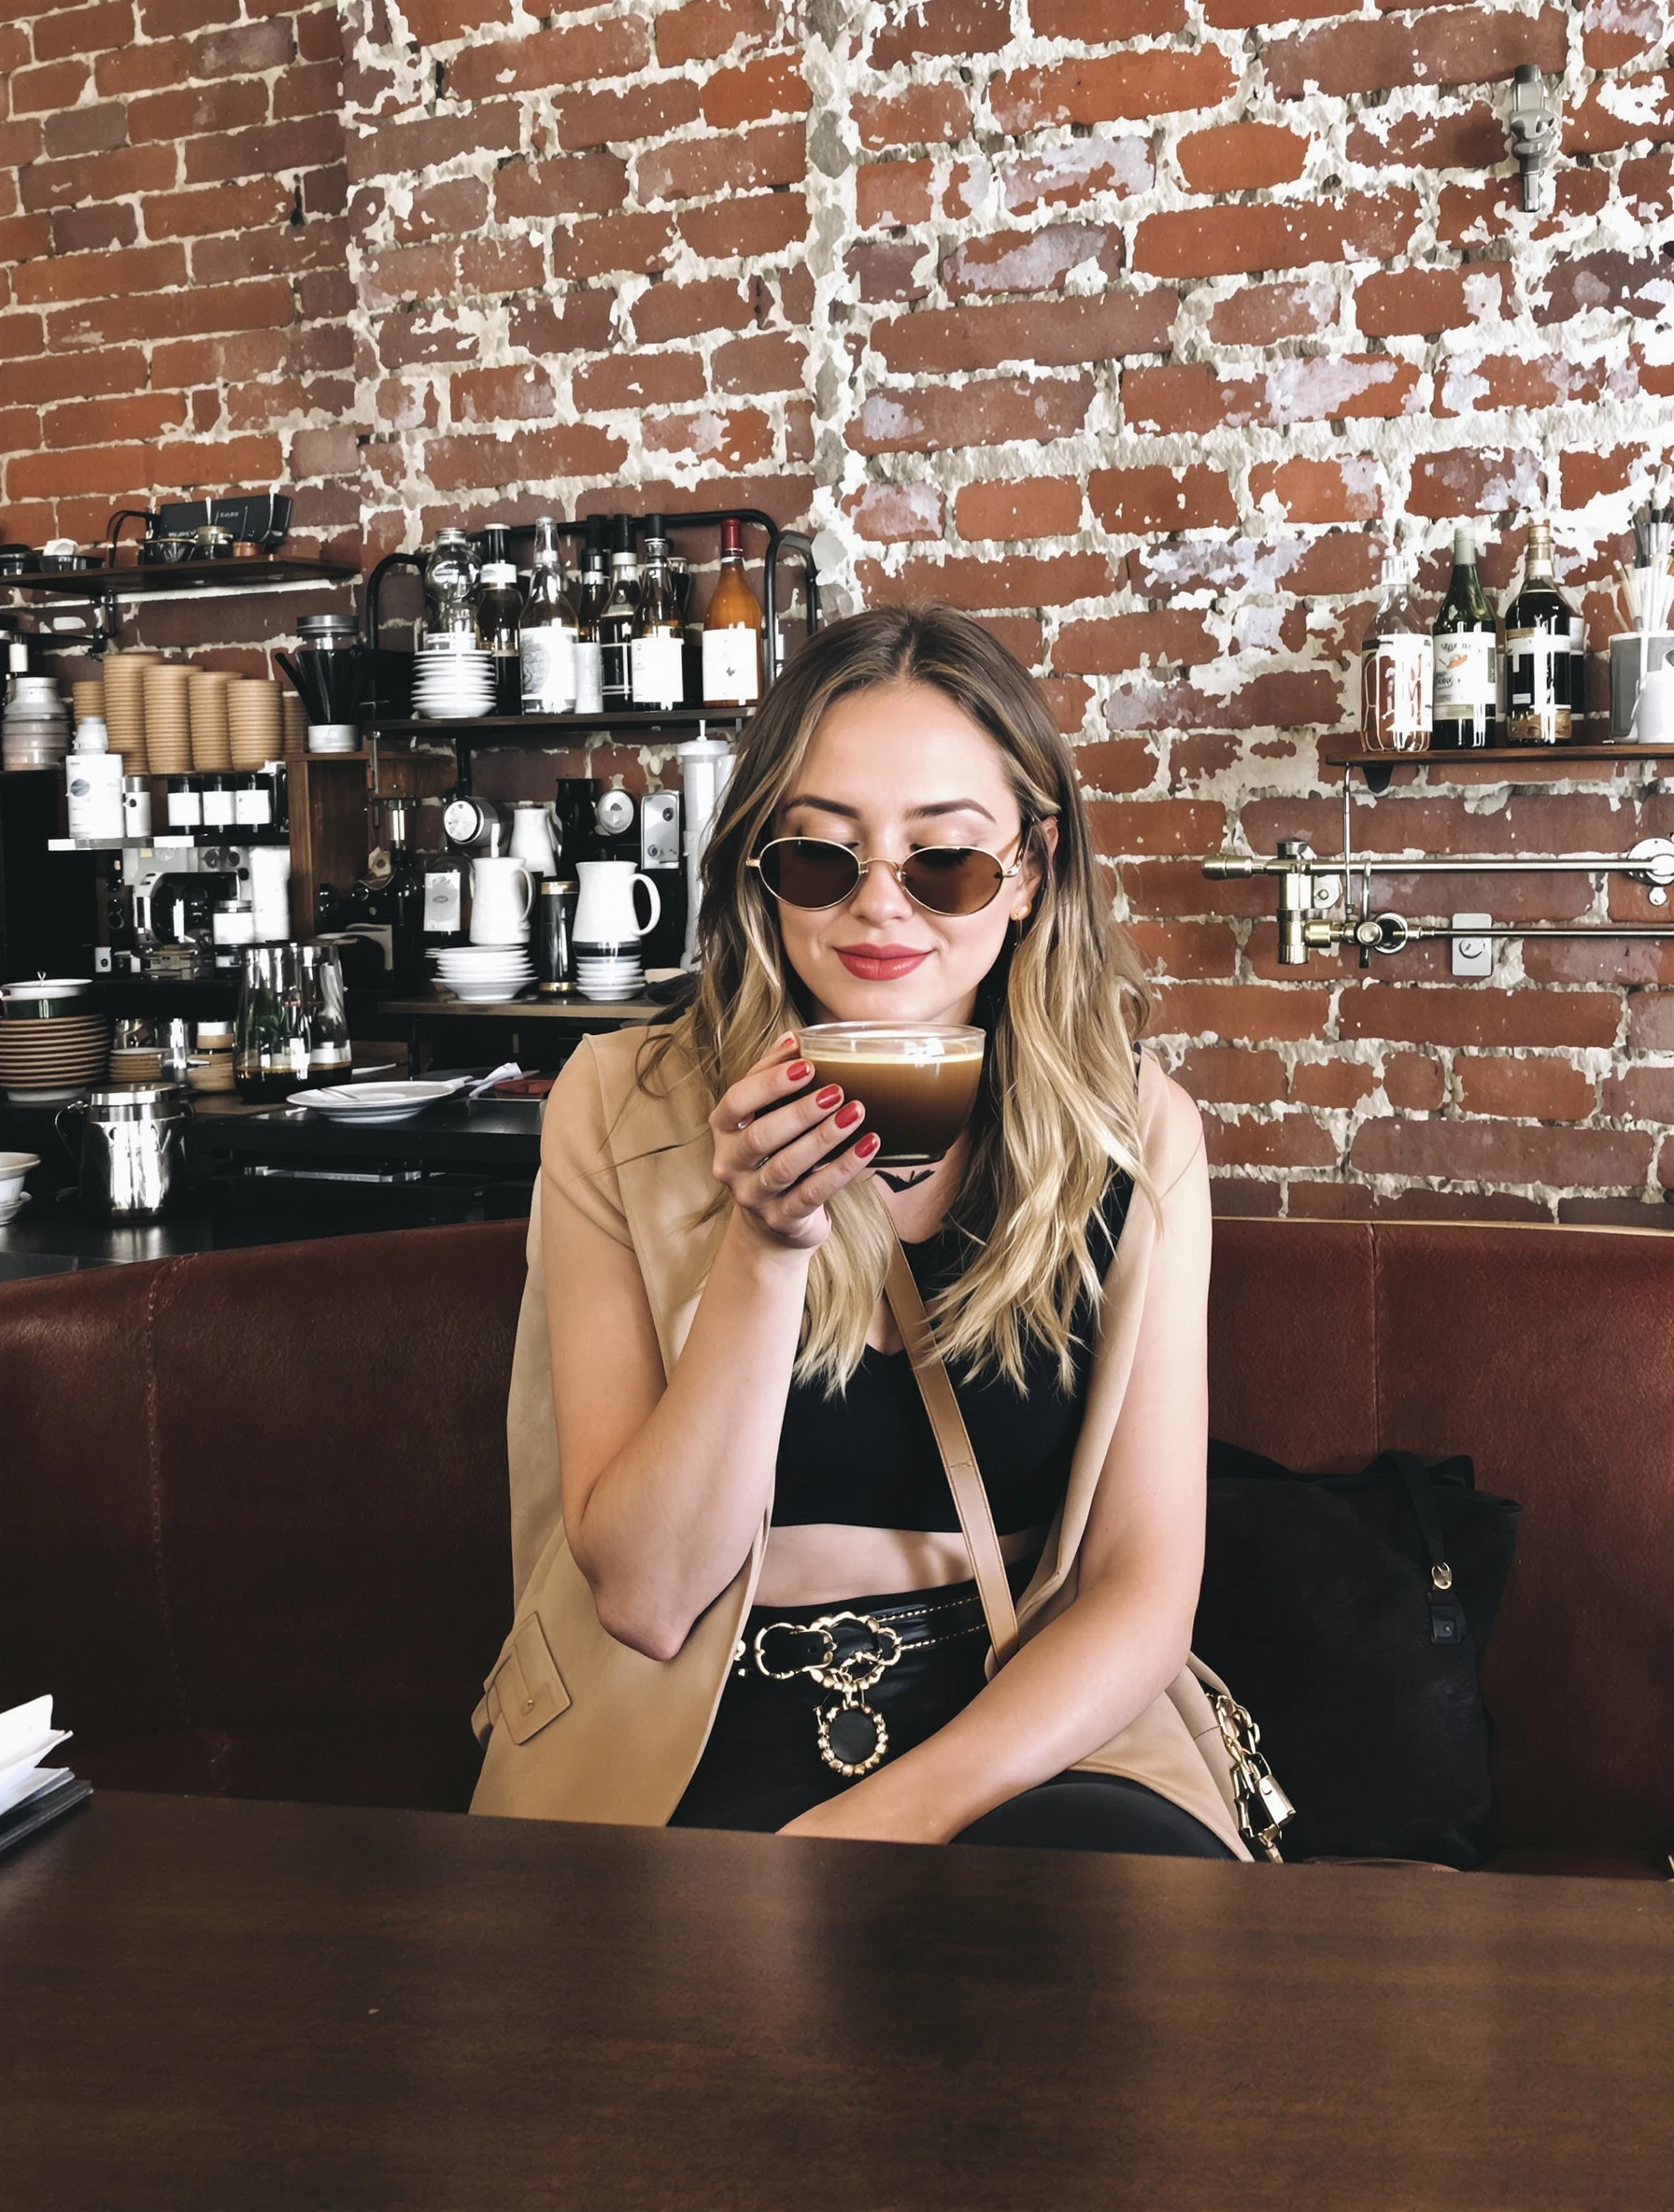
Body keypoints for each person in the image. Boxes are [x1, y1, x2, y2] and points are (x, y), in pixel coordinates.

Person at [472, 603, 1245, 1858]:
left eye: (944, 861)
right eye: (823, 859)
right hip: (690, 1720)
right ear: (765, 873)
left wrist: (884, 1823)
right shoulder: (616, 1107)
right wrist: (766, 1248)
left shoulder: (1135, 1134)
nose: (880, 910)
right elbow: (650, 1600)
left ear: (1031, 874)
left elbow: (1144, 1595)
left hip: (1026, 1719)